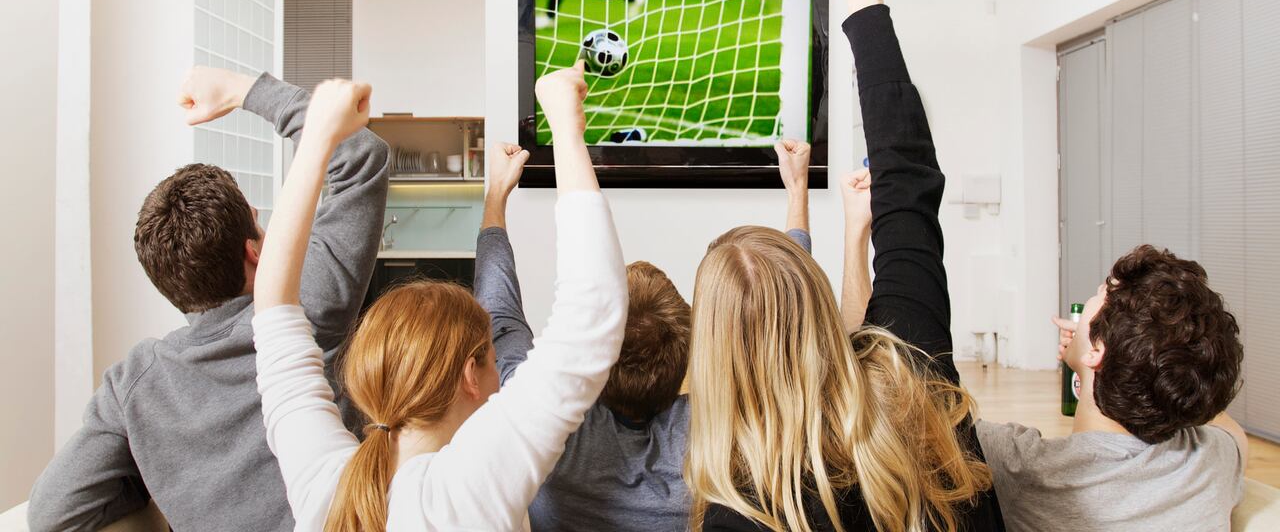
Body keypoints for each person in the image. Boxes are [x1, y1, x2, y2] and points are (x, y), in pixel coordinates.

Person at [684, 0, 1004, 532]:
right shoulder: (915, 379)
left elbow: (906, 187)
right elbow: (908, 181)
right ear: (819, 311)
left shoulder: (740, 511)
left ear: (714, 358)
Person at [251, 63, 630, 530]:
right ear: (471, 374)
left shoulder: (324, 486)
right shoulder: (466, 490)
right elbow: (590, 317)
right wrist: (568, 128)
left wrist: (317, 142)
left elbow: (272, 311)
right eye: (492, 358)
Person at [28, 69, 389, 532]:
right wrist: (241, 91)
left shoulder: (134, 386)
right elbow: (360, 153)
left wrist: (163, 469)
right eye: (259, 224)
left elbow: (53, 513)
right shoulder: (308, 305)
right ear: (255, 250)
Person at [471, 135, 844, 532]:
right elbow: (779, 323)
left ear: (592, 351)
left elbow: (498, 314)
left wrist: (496, 194)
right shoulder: (725, 437)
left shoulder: (541, 428)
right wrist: (797, 192)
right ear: (687, 353)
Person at [975, 245, 1246, 532]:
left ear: (1097, 350)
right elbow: (1229, 427)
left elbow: (931, 423)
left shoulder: (1020, 467)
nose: (1091, 297)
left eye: (1098, 295)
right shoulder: (1212, 459)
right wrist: (1110, 361)